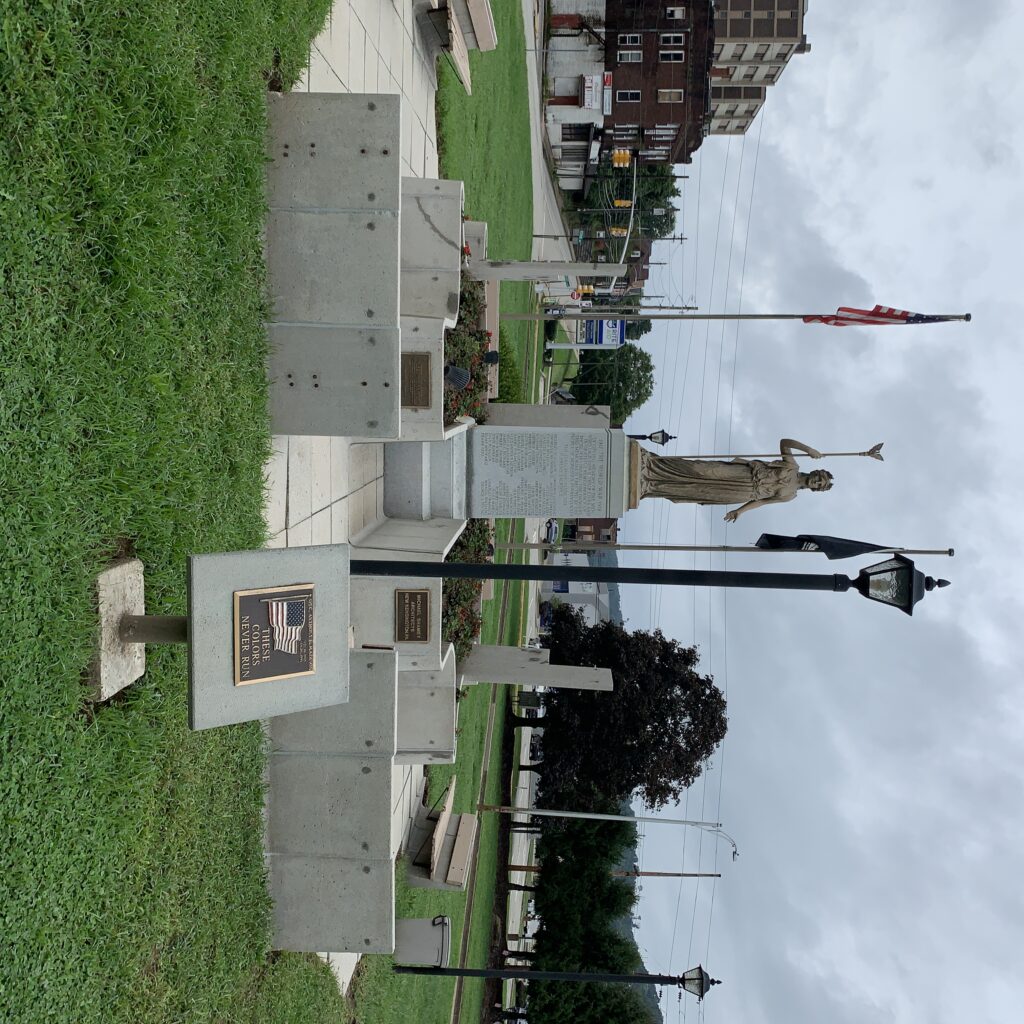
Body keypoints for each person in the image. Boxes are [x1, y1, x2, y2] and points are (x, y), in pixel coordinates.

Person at [637, 438, 834, 522]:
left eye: (819, 485)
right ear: (816, 472)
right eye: (819, 479)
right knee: (701, 470)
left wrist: (739, 511)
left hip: (742, 493)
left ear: (816, 490)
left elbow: (762, 502)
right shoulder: (792, 466)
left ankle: (651, 486)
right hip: (742, 474)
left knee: (698, 490)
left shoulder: (789, 496)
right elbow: (784, 442)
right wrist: (808, 449)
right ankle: (652, 465)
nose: (816, 483)